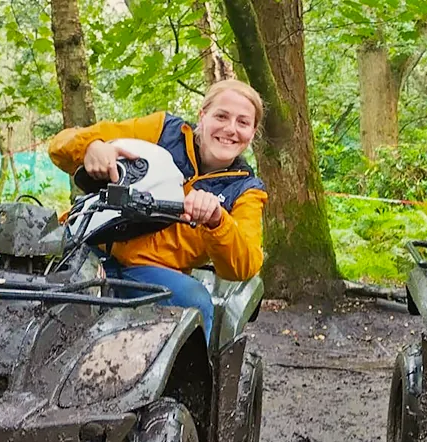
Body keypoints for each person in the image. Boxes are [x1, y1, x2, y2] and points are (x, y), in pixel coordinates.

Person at [48, 79, 267, 340]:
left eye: (243, 122)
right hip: (86, 245)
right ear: (203, 115)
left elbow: (245, 266)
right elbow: (59, 146)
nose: (230, 129)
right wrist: (92, 146)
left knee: (196, 302)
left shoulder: (246, 189)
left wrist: (217, 220)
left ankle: (193, 379)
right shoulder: (163, 130)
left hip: (151, 275)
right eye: (221, 116)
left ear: (252, 132)